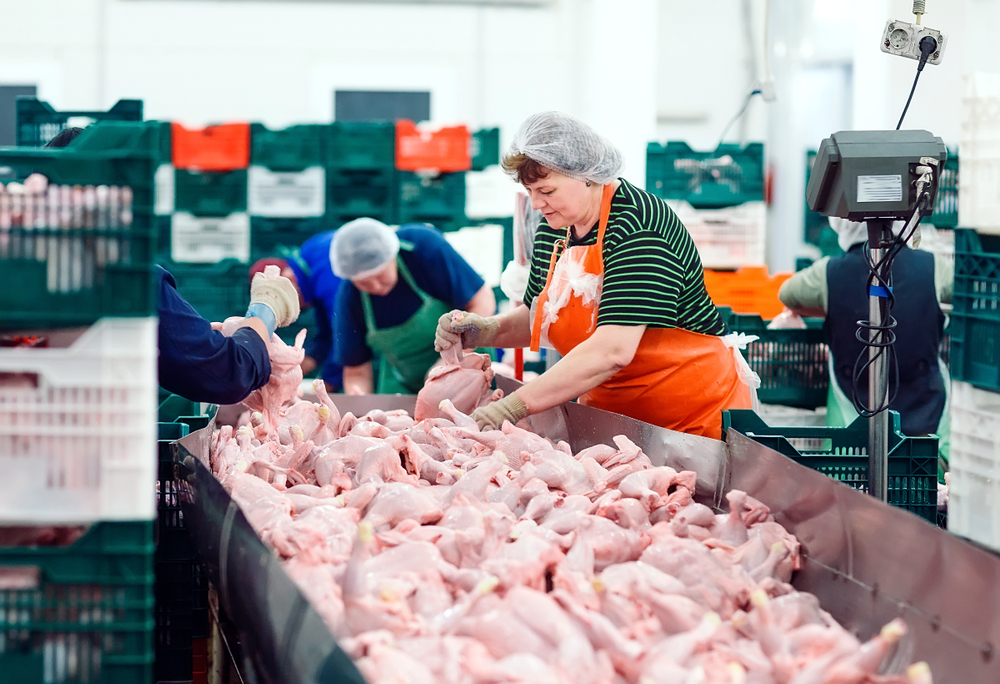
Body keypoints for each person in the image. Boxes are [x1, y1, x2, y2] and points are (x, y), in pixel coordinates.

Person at [435, 111, 755, 436]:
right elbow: (540, 316)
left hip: (690, 422)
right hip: (613, 421)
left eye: (546, 191)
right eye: (529, 191)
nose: (536, 204)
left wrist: (511, 407)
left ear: (586, 175)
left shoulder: (639, 228)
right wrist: (485, 331)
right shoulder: (555, 227)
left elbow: (612, 351)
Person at [44, 127, 300, 405]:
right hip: (97, 442)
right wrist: (264, 309)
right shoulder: (130, 281)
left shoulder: (16, 275)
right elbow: (226, 373)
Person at [778, 218, 952, 473]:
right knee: (928, 491)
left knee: (851, 482)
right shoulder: (934, 267)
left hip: (852, 428)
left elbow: (788, 293)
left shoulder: (828, 273)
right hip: (927, 420)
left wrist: (830, 304)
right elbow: (968, 286)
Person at [330, 218, 496, 394]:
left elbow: (483, 302)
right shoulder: (349, 297)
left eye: (380, 276)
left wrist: (450, 362)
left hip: (466, 372)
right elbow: (356, 371)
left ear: (392, 255)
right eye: (364, 284)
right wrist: (359, 400)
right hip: (404, 387)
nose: (376, 287)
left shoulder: (424, 248)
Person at [249, 231, 345, 393]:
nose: (293, 310)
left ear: (287, 279)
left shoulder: (324, 267)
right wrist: (284, 374)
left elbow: (344, 339)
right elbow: (326, 339)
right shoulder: (311, 261)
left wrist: (324, 388)